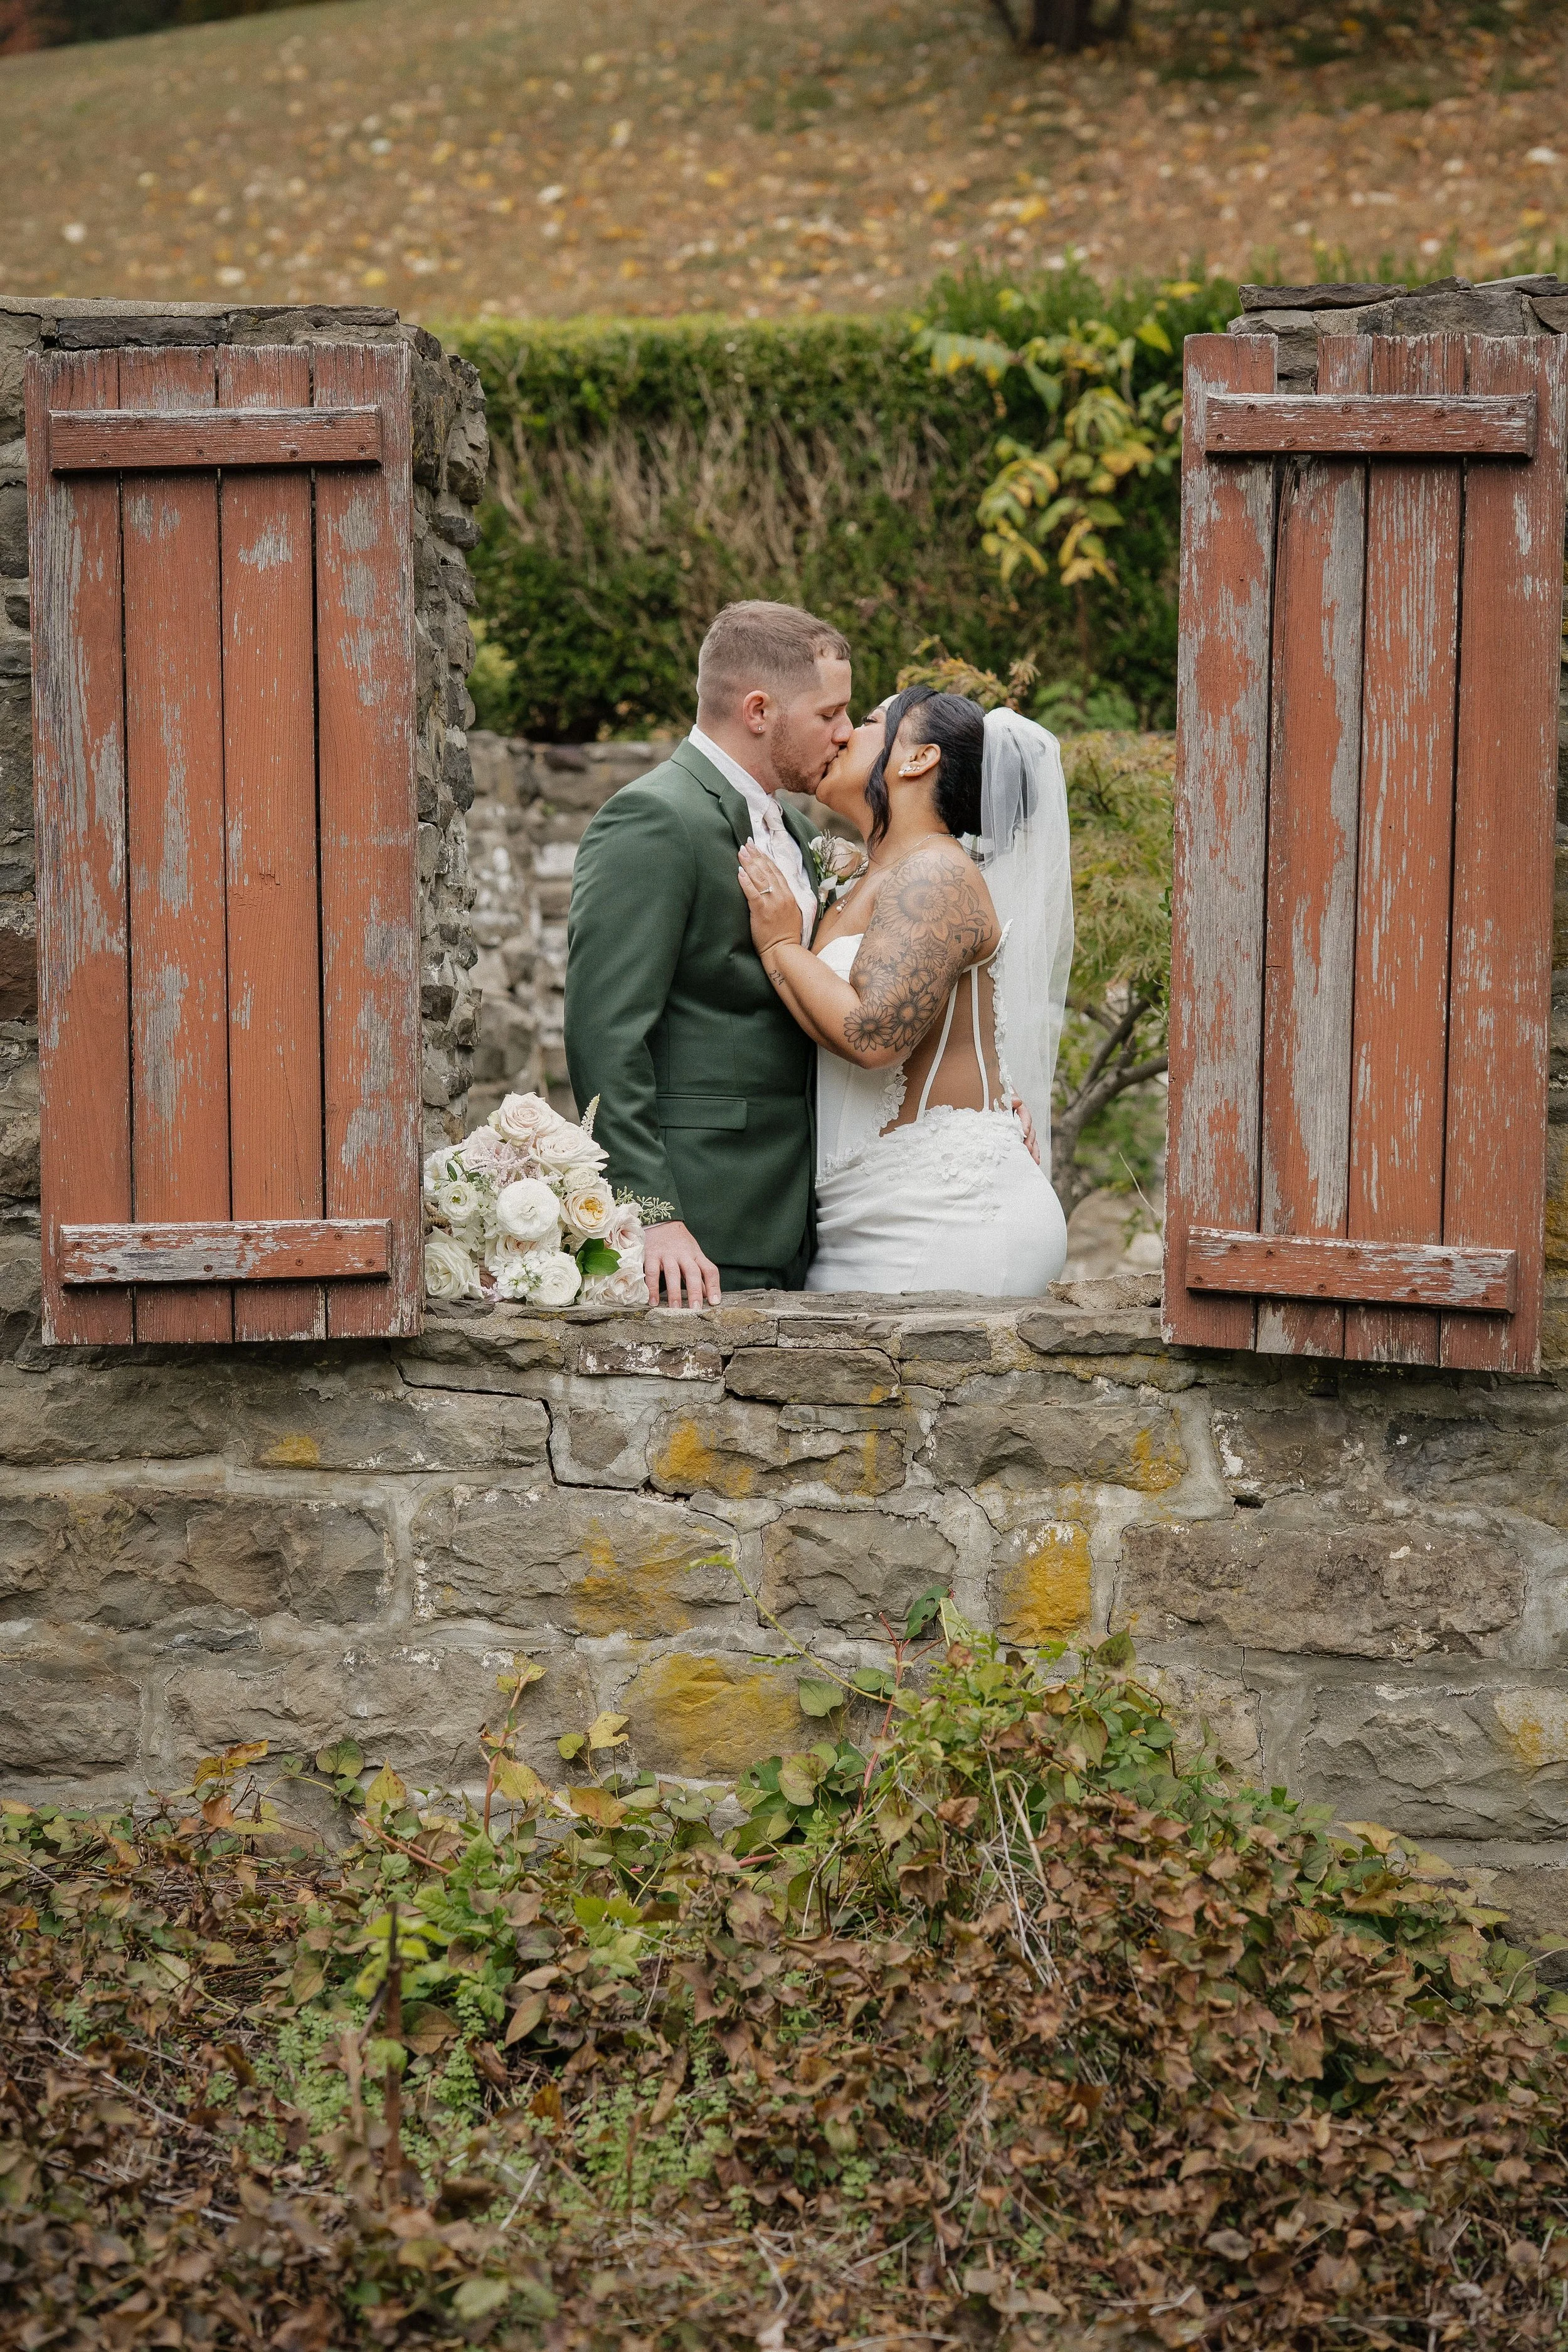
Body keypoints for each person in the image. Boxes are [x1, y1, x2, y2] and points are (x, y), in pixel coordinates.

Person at [737, 684, 1072, 1295]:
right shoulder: (867, 877)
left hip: (945, 1217)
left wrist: (781, 946)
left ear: (919, 758)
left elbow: (876, 1035)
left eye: (865, 722)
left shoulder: (936, 871)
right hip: (865, 1212)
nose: (841, 734)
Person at [564, 600, 852, 1304]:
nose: (845, 734)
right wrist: (654, 1215)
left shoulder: (791, 826)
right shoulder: (655, 818)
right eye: (828, 714)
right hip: (702, 1222)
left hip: (802, 1212)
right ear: (759, 711)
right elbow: (605, 1033)